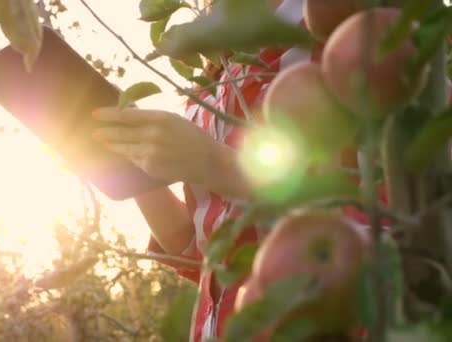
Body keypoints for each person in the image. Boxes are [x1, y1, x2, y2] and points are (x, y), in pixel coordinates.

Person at [91, 0, 360, 340]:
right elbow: (199, 247)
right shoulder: (212, 83)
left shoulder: (342, 38)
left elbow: (386, 214)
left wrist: (213, 163)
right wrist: (128, 166)